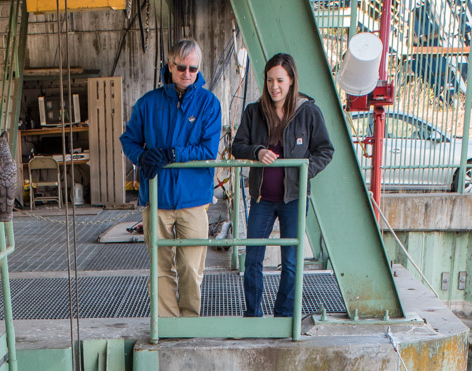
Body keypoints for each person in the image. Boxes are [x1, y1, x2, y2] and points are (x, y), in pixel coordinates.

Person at [120, 38, 221, 318]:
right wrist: (141, 157)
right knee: (161, 266)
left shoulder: (208, 104)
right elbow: (129, 139)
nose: (187, 74)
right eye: (181, 67)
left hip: (193, 199)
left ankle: (189, 321)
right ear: (170, 65)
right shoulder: (149, 103)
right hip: (157, 198)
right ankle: (166, 324)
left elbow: (207, 149)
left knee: (190, 265)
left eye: (193, 68)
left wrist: (173, 153)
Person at [231, 53, 334, 319]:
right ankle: (253, 315)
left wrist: (303, 171)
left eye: (279, 80)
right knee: (253, 259)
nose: (274, 86)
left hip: (294, 199)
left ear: (291, 81)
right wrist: (257, 151)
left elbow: (325, 150)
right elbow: (237, 146)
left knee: (290, 262)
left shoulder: (308, 112)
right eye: (269, 80)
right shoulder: (254, 112)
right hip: (262, 199)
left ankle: (284, 316)